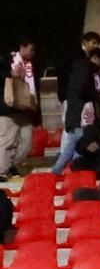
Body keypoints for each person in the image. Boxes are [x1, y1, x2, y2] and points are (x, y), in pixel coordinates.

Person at [54, 35, 100, 175]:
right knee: (74, 142)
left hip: (77, 110)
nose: (95, 45)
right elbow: (80, 89)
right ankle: (60, 171)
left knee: (73, 143)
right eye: (93, 42)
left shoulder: (84, 65)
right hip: (77, 110)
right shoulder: (81, 63)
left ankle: (62, 171)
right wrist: (95, 96)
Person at [2, 38, 41, 178]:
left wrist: (37, 115)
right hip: (9, 109)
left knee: (27, 143)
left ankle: (14, 165)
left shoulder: (31, 65)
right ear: (22, 47)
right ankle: (2, 170)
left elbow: (35, 90)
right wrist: (10, 73)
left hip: (26, 109)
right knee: (7, 141)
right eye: (31, 49)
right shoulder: (7, 60)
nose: (32, 53)